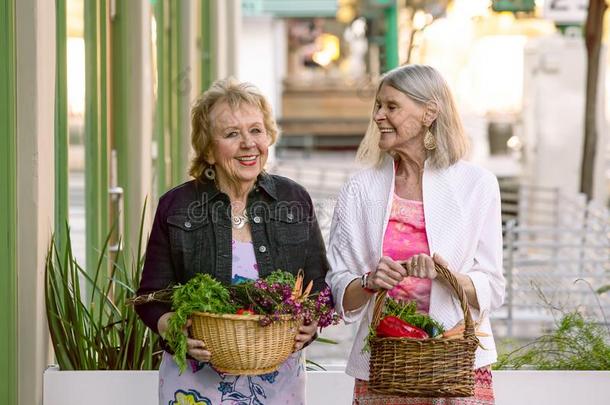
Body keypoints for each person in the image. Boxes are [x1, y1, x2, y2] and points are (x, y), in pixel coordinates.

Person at [135, 77, 329, 405]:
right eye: (231, 134)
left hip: (277, 382)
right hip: (195, 384)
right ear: (209, 150)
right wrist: (172, 327)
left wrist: (312, 324)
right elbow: (149, 298)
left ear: (269, 136)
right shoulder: (178, 206)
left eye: (256, 130)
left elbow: (320, 286)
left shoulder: (293, 199)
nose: (248, 143)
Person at [325, 64, 505, 404]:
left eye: (391, 106)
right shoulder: (359, 189)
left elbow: (492, 289)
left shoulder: (478, 185)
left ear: (429, 112)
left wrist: (446, 275)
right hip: (385, 364)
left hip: (457, 365)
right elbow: (339, 292)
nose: (378, 116)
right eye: (378, 106)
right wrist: (368, 281)